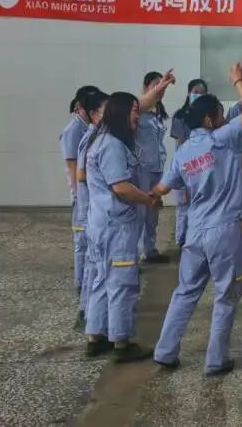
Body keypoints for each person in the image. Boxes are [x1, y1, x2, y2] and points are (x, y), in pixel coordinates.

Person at [151, 63, 242, 375]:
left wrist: (142, 197)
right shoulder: (222, 138)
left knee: (185, 292)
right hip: (224, 231)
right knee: (226, 295)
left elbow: (161, 189)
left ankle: (165, 351)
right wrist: (239, 81)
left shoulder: (184, 151)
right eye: (222, 115)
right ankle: (215, 360)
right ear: (210, 120)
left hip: (195, 231)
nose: (226, 119)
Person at [82, 92, 160, 362]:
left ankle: (95, 337)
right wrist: (148, 199)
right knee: (122, 283)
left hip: (102, 224)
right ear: (121, 113)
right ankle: (121, 342)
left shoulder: (102, 140)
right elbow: (122, 188)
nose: (138, 116)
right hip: (116, 227)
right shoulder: (112, 146)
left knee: (101, 279)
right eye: (135, 111)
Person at [73, 89, 109, 330]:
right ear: (95, 114)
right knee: (95, 267)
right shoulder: (94, 139)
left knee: (94, 266)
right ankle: (89, 316)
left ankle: (87, 313)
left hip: (94, 211)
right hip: (93, 211)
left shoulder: (98, 136)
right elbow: (79, 174)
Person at [60, 85, 100, 296]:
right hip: (81, 196)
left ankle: (88, 280)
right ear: (82, 108)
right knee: (81, 242)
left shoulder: (89, 128)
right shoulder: (73, 130)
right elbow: (72, 165)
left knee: (88, 240)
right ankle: (80, 283)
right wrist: (78, 195)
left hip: (89, 194)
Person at [136, 71, 175, 264]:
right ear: (146, 87)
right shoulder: (138, 111)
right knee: (140, 212)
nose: (161, 89)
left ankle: (150, 250)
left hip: (157, 168)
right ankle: (133, 255)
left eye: (163, 85)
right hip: (142, 168)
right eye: (156, 85)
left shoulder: (158, 112)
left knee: (153, 210)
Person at [170, 79, 208, 247]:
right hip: (186, 166)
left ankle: (198, 240)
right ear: (188, 93)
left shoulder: (207, 117)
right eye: (195, 92)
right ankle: (182, 241)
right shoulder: (180, 116)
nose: (198, 95)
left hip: (204, 166)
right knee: (183, 207)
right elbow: (180, 144)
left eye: (202, 93)